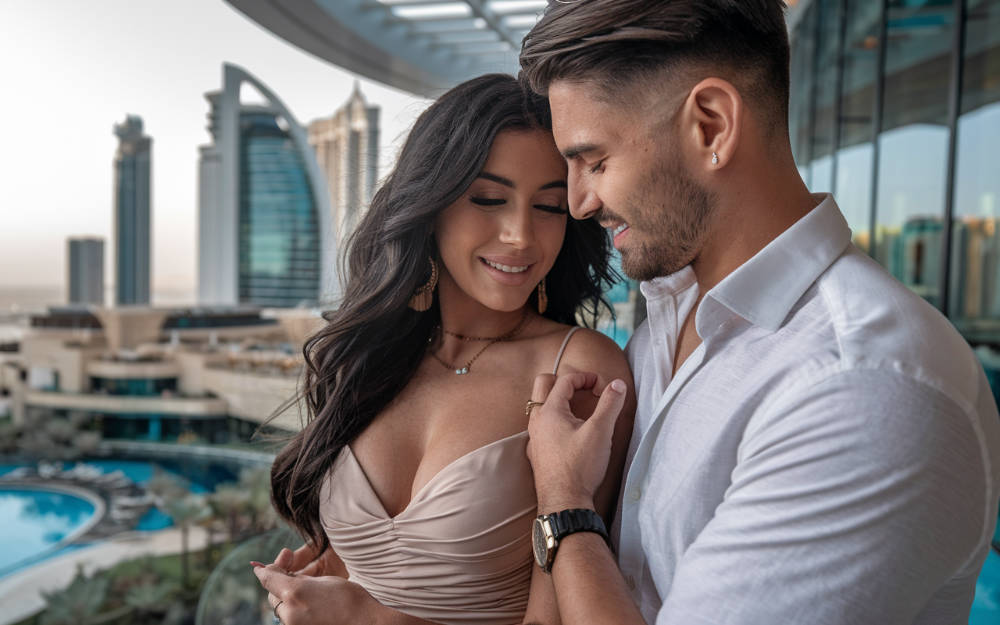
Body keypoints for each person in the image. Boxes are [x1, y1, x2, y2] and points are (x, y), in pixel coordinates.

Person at [517, 1, 1000, 624]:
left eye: (595, 160)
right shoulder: (669, 317)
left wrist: (564, 501)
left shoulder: (863, 384)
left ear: (712, 126)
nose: (579, 201)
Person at [252, 73, 635, 625]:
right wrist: (324, 578)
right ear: (431, 205)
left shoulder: (578, 371)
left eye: (548, 207)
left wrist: (372, 619)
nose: (520, 235)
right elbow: (382, 574)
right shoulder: (373, 355)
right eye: (488, 198)